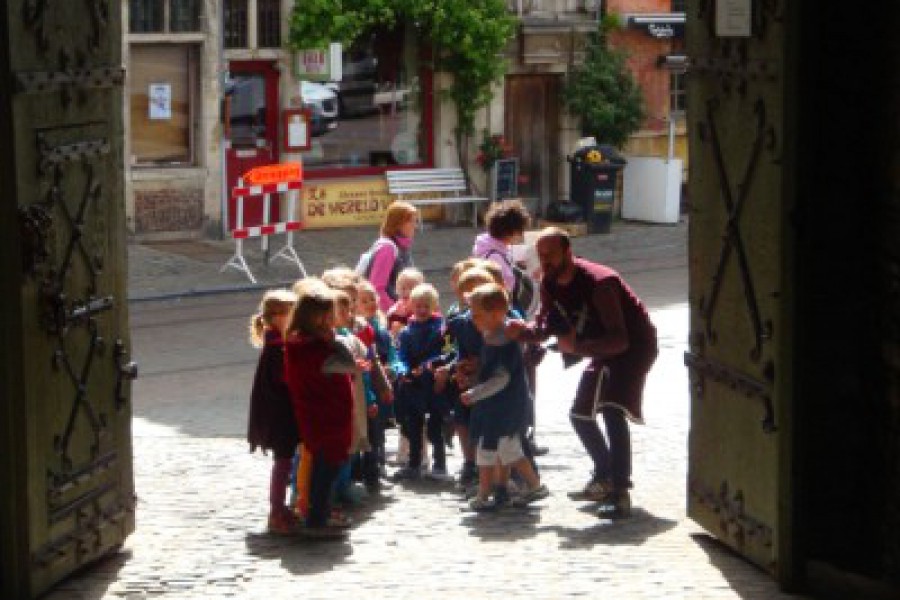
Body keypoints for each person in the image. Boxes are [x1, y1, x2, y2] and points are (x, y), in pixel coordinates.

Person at [507, 227, 658, 518]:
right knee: (580, 413)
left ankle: (619, 492)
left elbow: (620, 339)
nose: (545, 261)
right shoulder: (550, 281)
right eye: (541, 255)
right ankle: (603, 477)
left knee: (612, 410)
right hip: (600, 348)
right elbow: (545, 323)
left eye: (550, 254)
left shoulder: (601, 283)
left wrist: (577, 347)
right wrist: (523, 334)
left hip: (633, 348)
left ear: (567, 251)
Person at [461, 282, 549, 511]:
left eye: (478, 315)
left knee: (506, 450)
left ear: (496, 313)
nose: (474, 320)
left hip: (505, 407)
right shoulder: (493, 336)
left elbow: (501, 378)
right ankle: (490, 491)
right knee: (493, 450)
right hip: (495, 407)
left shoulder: (503, 341)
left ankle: (526, 486)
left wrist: (475, 393)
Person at [473, 199, 547, 456]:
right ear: (512, 230)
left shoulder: (485, 247)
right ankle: (523, 439)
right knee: (521, 382)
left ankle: (521, 437)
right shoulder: (496, 256)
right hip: (508, 327)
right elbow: (506, 293)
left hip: (497, 325)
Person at [284, 287, 358, 539]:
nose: (329, 322)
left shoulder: (301, 343)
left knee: (324, 465)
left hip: (324, 413)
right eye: (325, 317)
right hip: (324, 415)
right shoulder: (311, 348)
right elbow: (348, 364)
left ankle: (318, 514)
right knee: (326, 467)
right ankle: (317, 518)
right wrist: (336, 341)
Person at [246, 288, 300, 534]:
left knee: (285, 462)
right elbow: (286, 379)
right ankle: (276, 510)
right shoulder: (278, 346)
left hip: (280, 412)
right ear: (278, 317)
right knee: (283, 462)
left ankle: (282, 508)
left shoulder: (277, 342)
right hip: (281, 415)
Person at [392, 283, 448, 480]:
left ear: (433, 306)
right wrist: (405, 371)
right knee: (413, 425)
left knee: (436, 426)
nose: (422, 310)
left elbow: (445, 352)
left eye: (426, 305)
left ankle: (440, 464)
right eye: (418, 305)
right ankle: (414, 463)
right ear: (411, 306)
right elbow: (400, 355)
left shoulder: (441, 328)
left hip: (433, 384)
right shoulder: (407, 332)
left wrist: (428, 365)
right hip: (413, 385)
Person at [364, 201, 419, 312]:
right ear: (397, 223)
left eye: (415, 221)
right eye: (410, 221)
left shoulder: (402, 246)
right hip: (393, 316)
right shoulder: (387, 249)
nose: (415, 226)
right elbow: (377, 288)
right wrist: (395, 312)